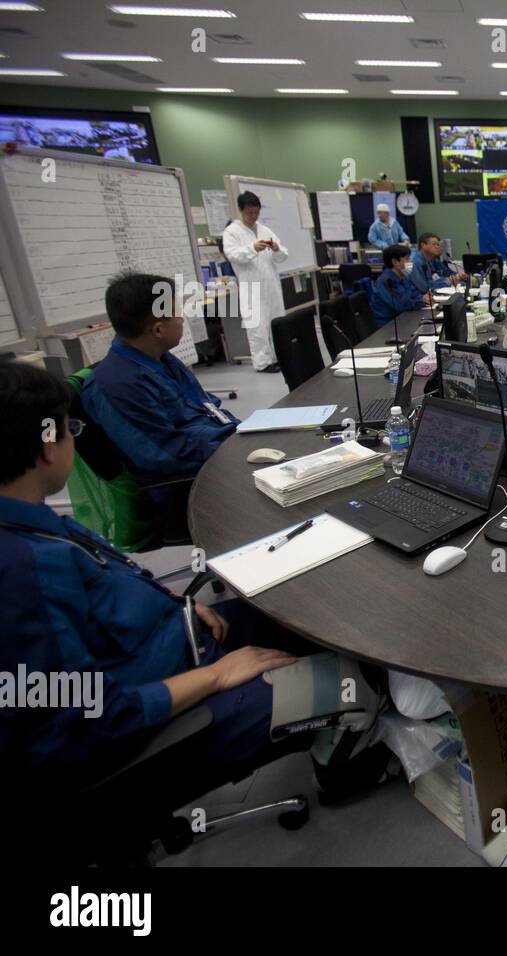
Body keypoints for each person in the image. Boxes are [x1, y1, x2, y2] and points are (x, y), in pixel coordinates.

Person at [0, 362, 314, 853]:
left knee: (299, 613)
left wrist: (176, 602)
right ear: (46, 447)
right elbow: (83, 721)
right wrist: (215, 676)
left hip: (165, 644)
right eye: (70, 428)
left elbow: (105, 576)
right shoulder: (20, 574)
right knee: (343, 681)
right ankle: (354, 762)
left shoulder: (25, 517)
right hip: (151, 722)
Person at [81, 272, 238, 490]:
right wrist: (232, 444)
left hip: (215, 452)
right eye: (177, 314)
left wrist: (242, 433)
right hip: (189, 483)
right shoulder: (118, 384)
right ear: (158, 330)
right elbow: (165, 455)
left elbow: (205, 407)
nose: (182, 319)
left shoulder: (160, 359)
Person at [220, 190, 287, 372]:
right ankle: (263, 362)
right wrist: (252, 248)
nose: (253, 216)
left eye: (256, 212)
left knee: (276, 322)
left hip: (270, 284)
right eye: (250, 213)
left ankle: (278, 357)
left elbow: (283, 255)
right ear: (241, 210)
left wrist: (276, 249)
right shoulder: (232, 232)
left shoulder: (264, 230)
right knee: (257, 326)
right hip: (251, 286)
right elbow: (232, 255)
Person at [370, 244, 431, 323]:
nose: (410, 262)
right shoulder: (386, 281)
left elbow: (414, 293)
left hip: (403, 317)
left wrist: (424, 298)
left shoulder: (403, 276)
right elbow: (402, 305)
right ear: (395, 262)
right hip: (389, 324)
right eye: (407, 259)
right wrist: (422, 301)